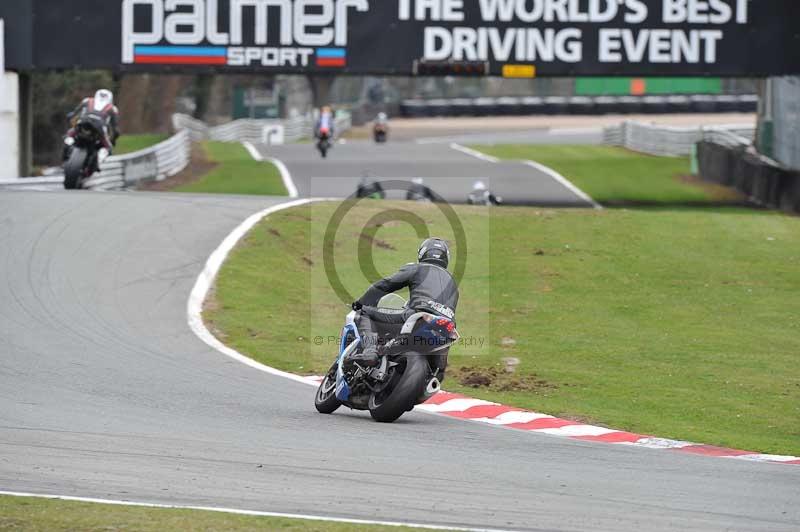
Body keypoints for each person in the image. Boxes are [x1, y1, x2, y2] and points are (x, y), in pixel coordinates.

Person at [348, 238, 459, 367]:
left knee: (365, 313)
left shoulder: (418, 268)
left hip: (418, 315)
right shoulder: (454, 284)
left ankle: (370, 352)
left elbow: (386, 284)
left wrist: (362, 302)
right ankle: (432, 378)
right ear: (446, 258)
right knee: (438, 367)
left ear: (422, 253)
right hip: (445, 326)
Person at [63, 89, 120, 164]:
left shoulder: (87, 100)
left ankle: (66, 154)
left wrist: (70, 119)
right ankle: (98, 161)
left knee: (69, 134)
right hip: (99, 128)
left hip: (83, 122)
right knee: (108, 148)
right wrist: (113, 140)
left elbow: (74, 113)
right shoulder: (113, 108)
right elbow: (115, 129)